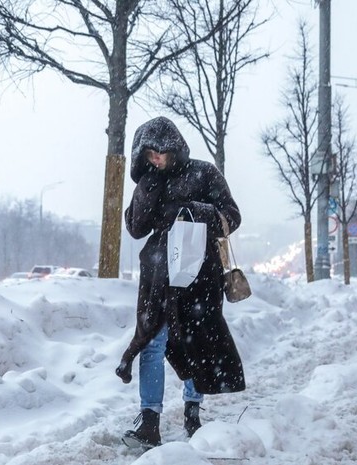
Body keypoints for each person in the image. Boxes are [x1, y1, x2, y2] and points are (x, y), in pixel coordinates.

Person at [116, 116, 245, 448]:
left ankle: (193, 411)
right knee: (151, 342)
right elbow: (135, 228)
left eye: (161, 152)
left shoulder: (203, 173)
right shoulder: (147, 181)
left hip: (199, 274)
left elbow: (232, 215)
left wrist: (199, 212)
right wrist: (147, 188)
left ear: (175, 148)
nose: (157, 158)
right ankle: (149, 421)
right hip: (158, 276)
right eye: (150, 154)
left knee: (195, 339)